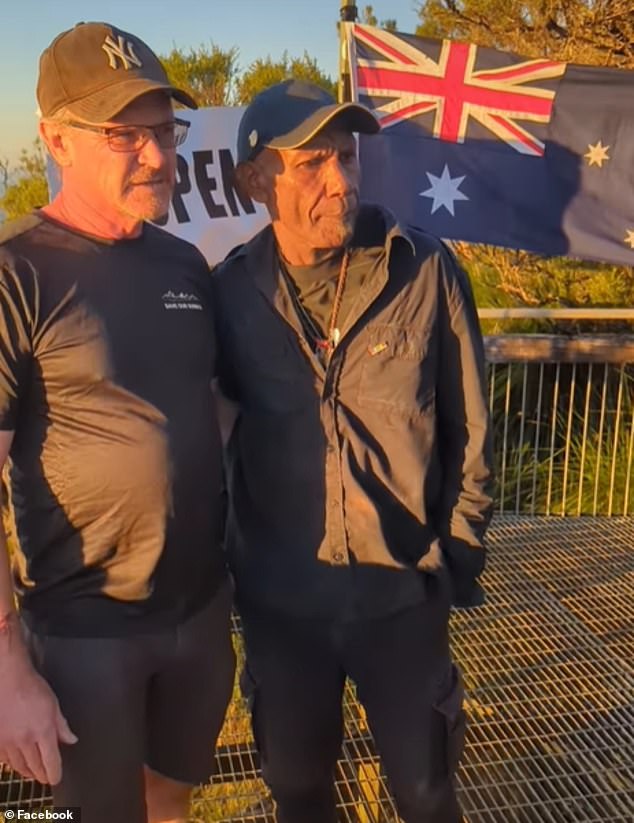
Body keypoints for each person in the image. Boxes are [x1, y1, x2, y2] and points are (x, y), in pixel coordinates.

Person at [211, 80, 494, 823]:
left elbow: (472, 433)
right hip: (282, 610)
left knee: (427, 794)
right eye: (311, 163)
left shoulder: (425, 271)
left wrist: (450, 563)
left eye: (346, 155)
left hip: (402, 598)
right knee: (300, 791)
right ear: (255, 180)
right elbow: (206, 438)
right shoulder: (230, 296)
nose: (339, 180)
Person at [0, 22, 235, 823]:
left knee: (171, 796)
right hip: (82, 632)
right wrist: (8, 671)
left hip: (199, 610)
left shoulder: (183, 265)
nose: (158, 155)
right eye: (123, 135)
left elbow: (208, 407)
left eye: (164, 130)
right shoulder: (16, 271)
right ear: (55, 140)